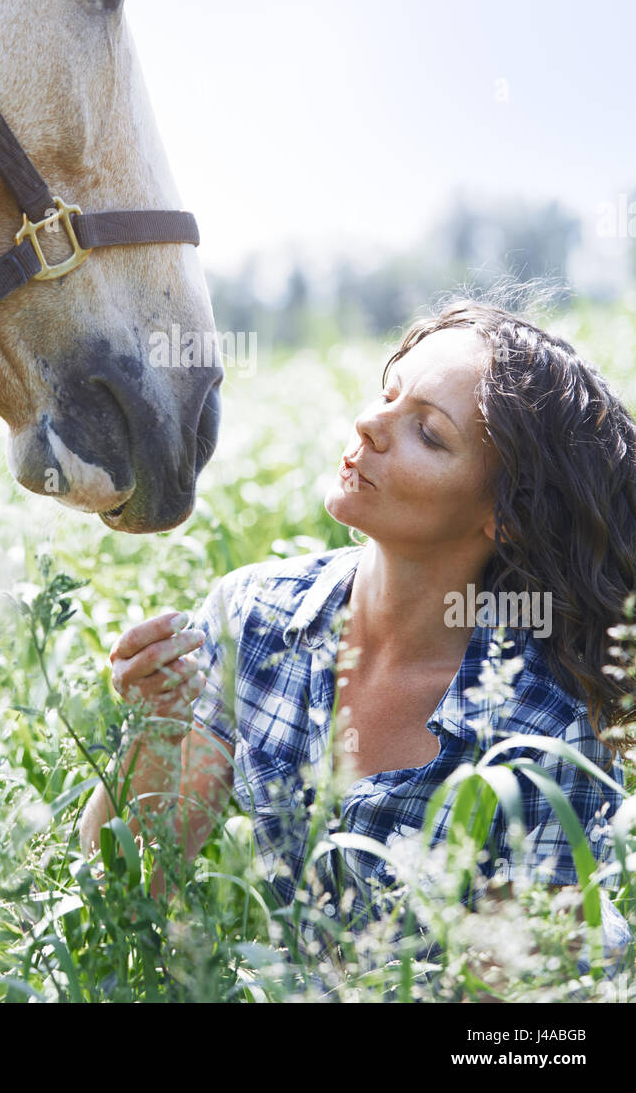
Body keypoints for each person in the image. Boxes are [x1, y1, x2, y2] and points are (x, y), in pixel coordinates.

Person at [79, 298, 635, 975]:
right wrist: (155, 730)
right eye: (388, 395)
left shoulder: (545, 725)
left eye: (427, 433)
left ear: (505, 516)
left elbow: (520, 1016)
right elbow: (131, 886)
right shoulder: (252, 616)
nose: (369, 424)